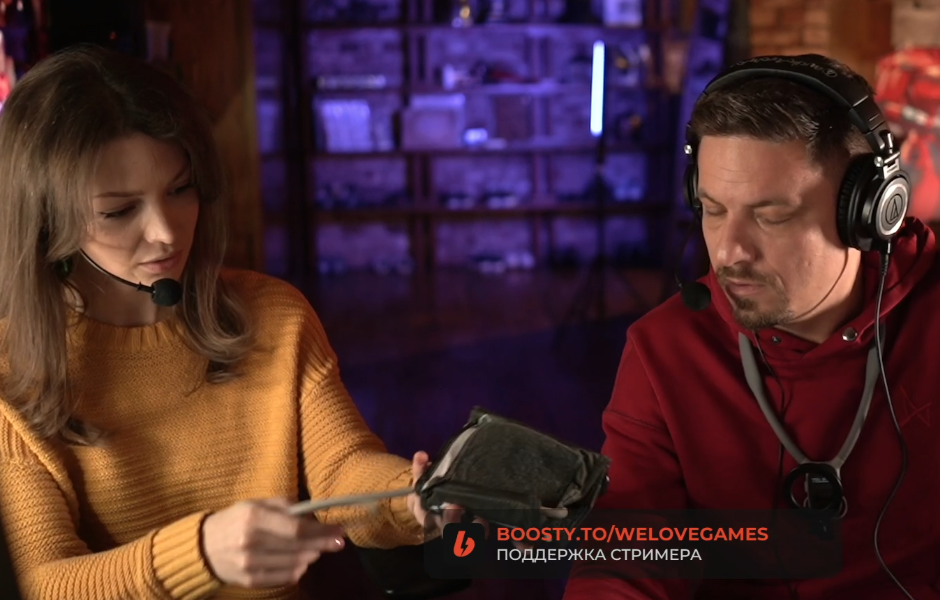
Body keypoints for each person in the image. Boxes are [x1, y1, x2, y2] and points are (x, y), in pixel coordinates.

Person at [0, 44, 443, 600]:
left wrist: (411, 497)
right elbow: (42, 583)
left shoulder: (275, 313)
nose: (166, 232)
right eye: (119, 211)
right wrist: (200, 553)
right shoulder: (10, 372)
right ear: (45, 221)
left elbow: (343, 469)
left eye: (180, 189)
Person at [563, 54, 940, 599]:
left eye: (771, 216)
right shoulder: (663, 349)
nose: (728, 252)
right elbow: (626, 551)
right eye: (713, 210)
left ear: (868, 212)